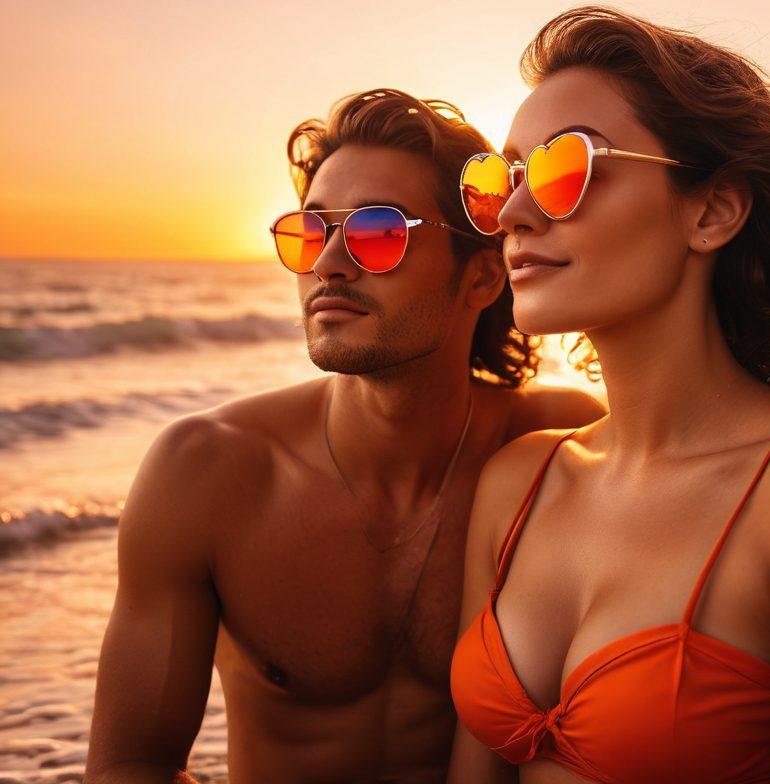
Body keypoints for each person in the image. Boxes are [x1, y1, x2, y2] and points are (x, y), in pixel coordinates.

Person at [447, 7, 770, 784]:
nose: (512, 213)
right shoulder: (517, 485)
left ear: (713, 210)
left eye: (561, 169)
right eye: (501, 180)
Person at [84, 88, 607, 784]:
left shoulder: (566, 447)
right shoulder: (208, 473)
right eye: (311, 232)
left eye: (377, 232)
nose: (328, 263)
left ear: (481, 277)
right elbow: (131, 766)